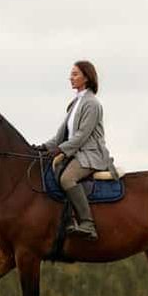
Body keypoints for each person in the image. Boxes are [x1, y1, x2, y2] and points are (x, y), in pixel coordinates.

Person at [33, 60, 117, 240]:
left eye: (75, 74)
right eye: (71, 74)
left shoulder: (92, 104)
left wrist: (60, 150)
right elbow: (61, 136)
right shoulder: (74, 104)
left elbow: (82, 136)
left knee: (67, 178)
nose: (70, 78)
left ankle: (88, 224)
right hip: (75, 152)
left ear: (86, 78)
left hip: (90, 155)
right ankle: (67, 219)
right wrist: (43, 147)